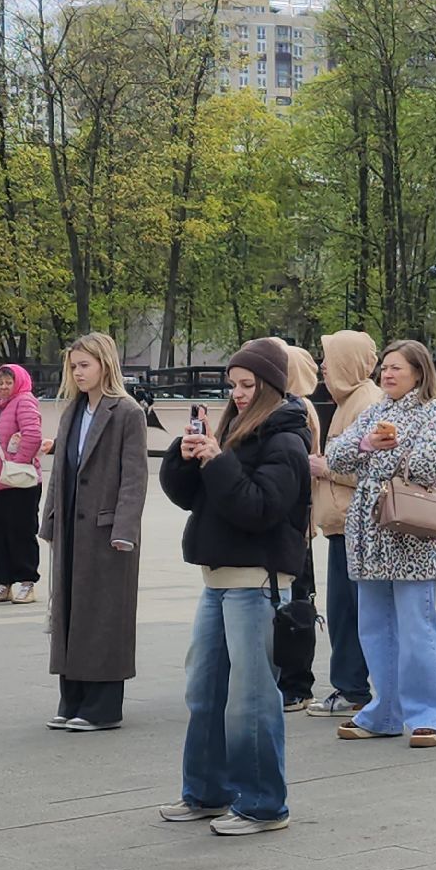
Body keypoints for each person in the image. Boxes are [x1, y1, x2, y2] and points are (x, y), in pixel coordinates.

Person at [156, 338, 312, 836]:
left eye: (248, 385)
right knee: (205, 690)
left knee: (251, 699)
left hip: (258, 581)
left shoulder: (286, 439)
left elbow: (260, 509)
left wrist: (219, 461)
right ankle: (206, 792)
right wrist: (184, 458)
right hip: (218, 577)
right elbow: (191, 498)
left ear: (270, 385)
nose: (239, 393)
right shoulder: (232, 428)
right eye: (234, 385)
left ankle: (264, 804)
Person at [324, 339, 436, 747]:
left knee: (418, 627)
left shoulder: (433, 411)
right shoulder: (375, 410)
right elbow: (335, 456)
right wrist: (366, 443)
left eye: (397, 367)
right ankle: (384, 711)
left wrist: (397, 444)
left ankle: (431, 714)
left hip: (409, 533)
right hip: (367, 537)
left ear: (419, 372)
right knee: (375, 628)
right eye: (385, 367)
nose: (388, 373)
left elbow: (431, 466)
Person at [40, 333, 149, 732]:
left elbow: (134, 478)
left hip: (107, 533)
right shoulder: (71, 411)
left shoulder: (127, 412)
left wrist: (125, 528)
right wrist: (50, 518)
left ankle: (102, 706)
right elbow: (61, 472)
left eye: (84, 365)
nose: (77, 372)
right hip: (72, 528)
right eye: (73, 366)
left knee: (103, 617)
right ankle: (72, 699)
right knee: (71, 612)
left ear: (105, 364)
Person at [305, 330, 384, 719]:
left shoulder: (365, 402)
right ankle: (352, 686)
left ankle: (352, 688)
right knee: (344, 611)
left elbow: (375, 468)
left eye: (329, 357)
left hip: (356, 526)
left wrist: (326, 467)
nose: (322, 366)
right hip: (343, 525)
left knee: (348, 612)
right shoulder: (348, 402)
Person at [272, 342, 324, 712]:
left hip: (292, 522)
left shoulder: (297, 407)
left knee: (295, 600)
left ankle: (296, 685)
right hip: (290, 520)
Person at [0, 364, 46, 606]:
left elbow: (33, 435)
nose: (3, 387)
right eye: (0, 382)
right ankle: (3, 583)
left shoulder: (24, 401)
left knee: (21, 532)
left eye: (8, 382)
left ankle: (27, 582)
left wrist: (17, 462)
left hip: (19, 481)